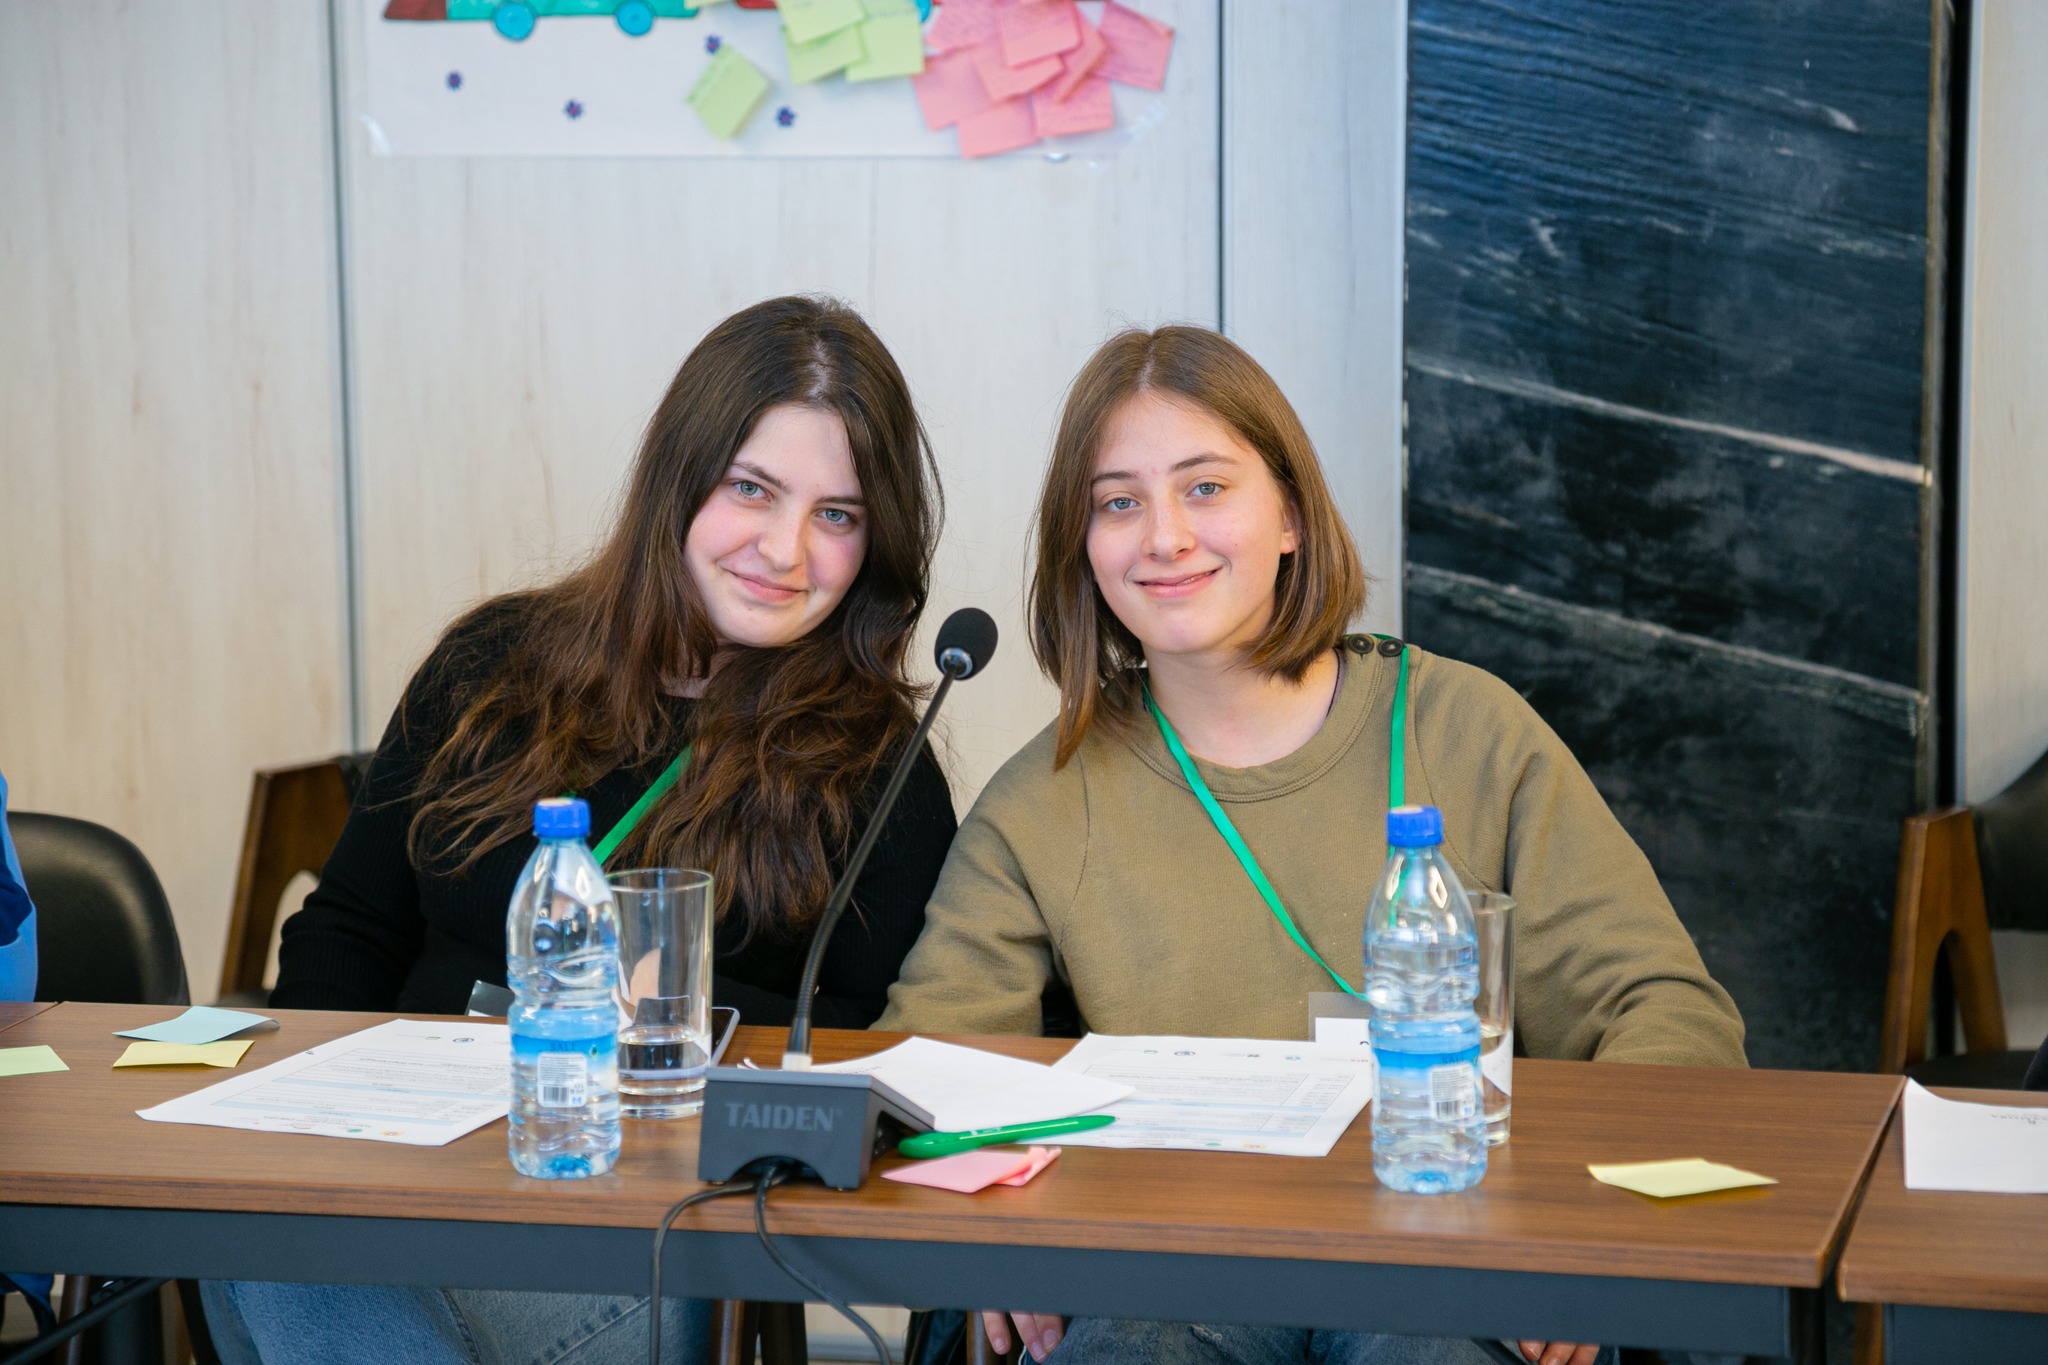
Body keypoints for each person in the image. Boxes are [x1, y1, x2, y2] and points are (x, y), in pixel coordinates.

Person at [877, 326, 1747, 1365]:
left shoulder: (1467, 729)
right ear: (1083, 546)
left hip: (1442, 1265)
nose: (1163, 536)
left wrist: (1583, 1230)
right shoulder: (1043, 799)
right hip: (1167, 1273)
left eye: (1205, 488)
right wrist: (993, 1220)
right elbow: (929, 1066)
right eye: (1118, 502)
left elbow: (1667, 1013)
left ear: (1290, 515)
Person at [203, 295, 957, 1365]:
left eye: (836, 515)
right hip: (403, 1174)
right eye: (751, 488)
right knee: (257, 1227)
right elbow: (347, 932)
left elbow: (864, 1042)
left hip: (639, 1232)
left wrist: (625, 1013)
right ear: (677, 479)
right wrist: (322, 1135)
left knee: (289, 1268)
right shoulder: (489, 665)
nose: (785, 549)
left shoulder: (878, 765)